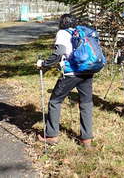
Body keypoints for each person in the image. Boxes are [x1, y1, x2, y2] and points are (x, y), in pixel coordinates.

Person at [36, 14, 94, 149]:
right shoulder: (81, 32)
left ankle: (51, 136)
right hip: (87, 71)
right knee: (86, 103)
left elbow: (59, 53)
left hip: (71, 73)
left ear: (61, 23)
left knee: (55, 101)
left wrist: (44, 64)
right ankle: (86, 140)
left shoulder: (62, 33)